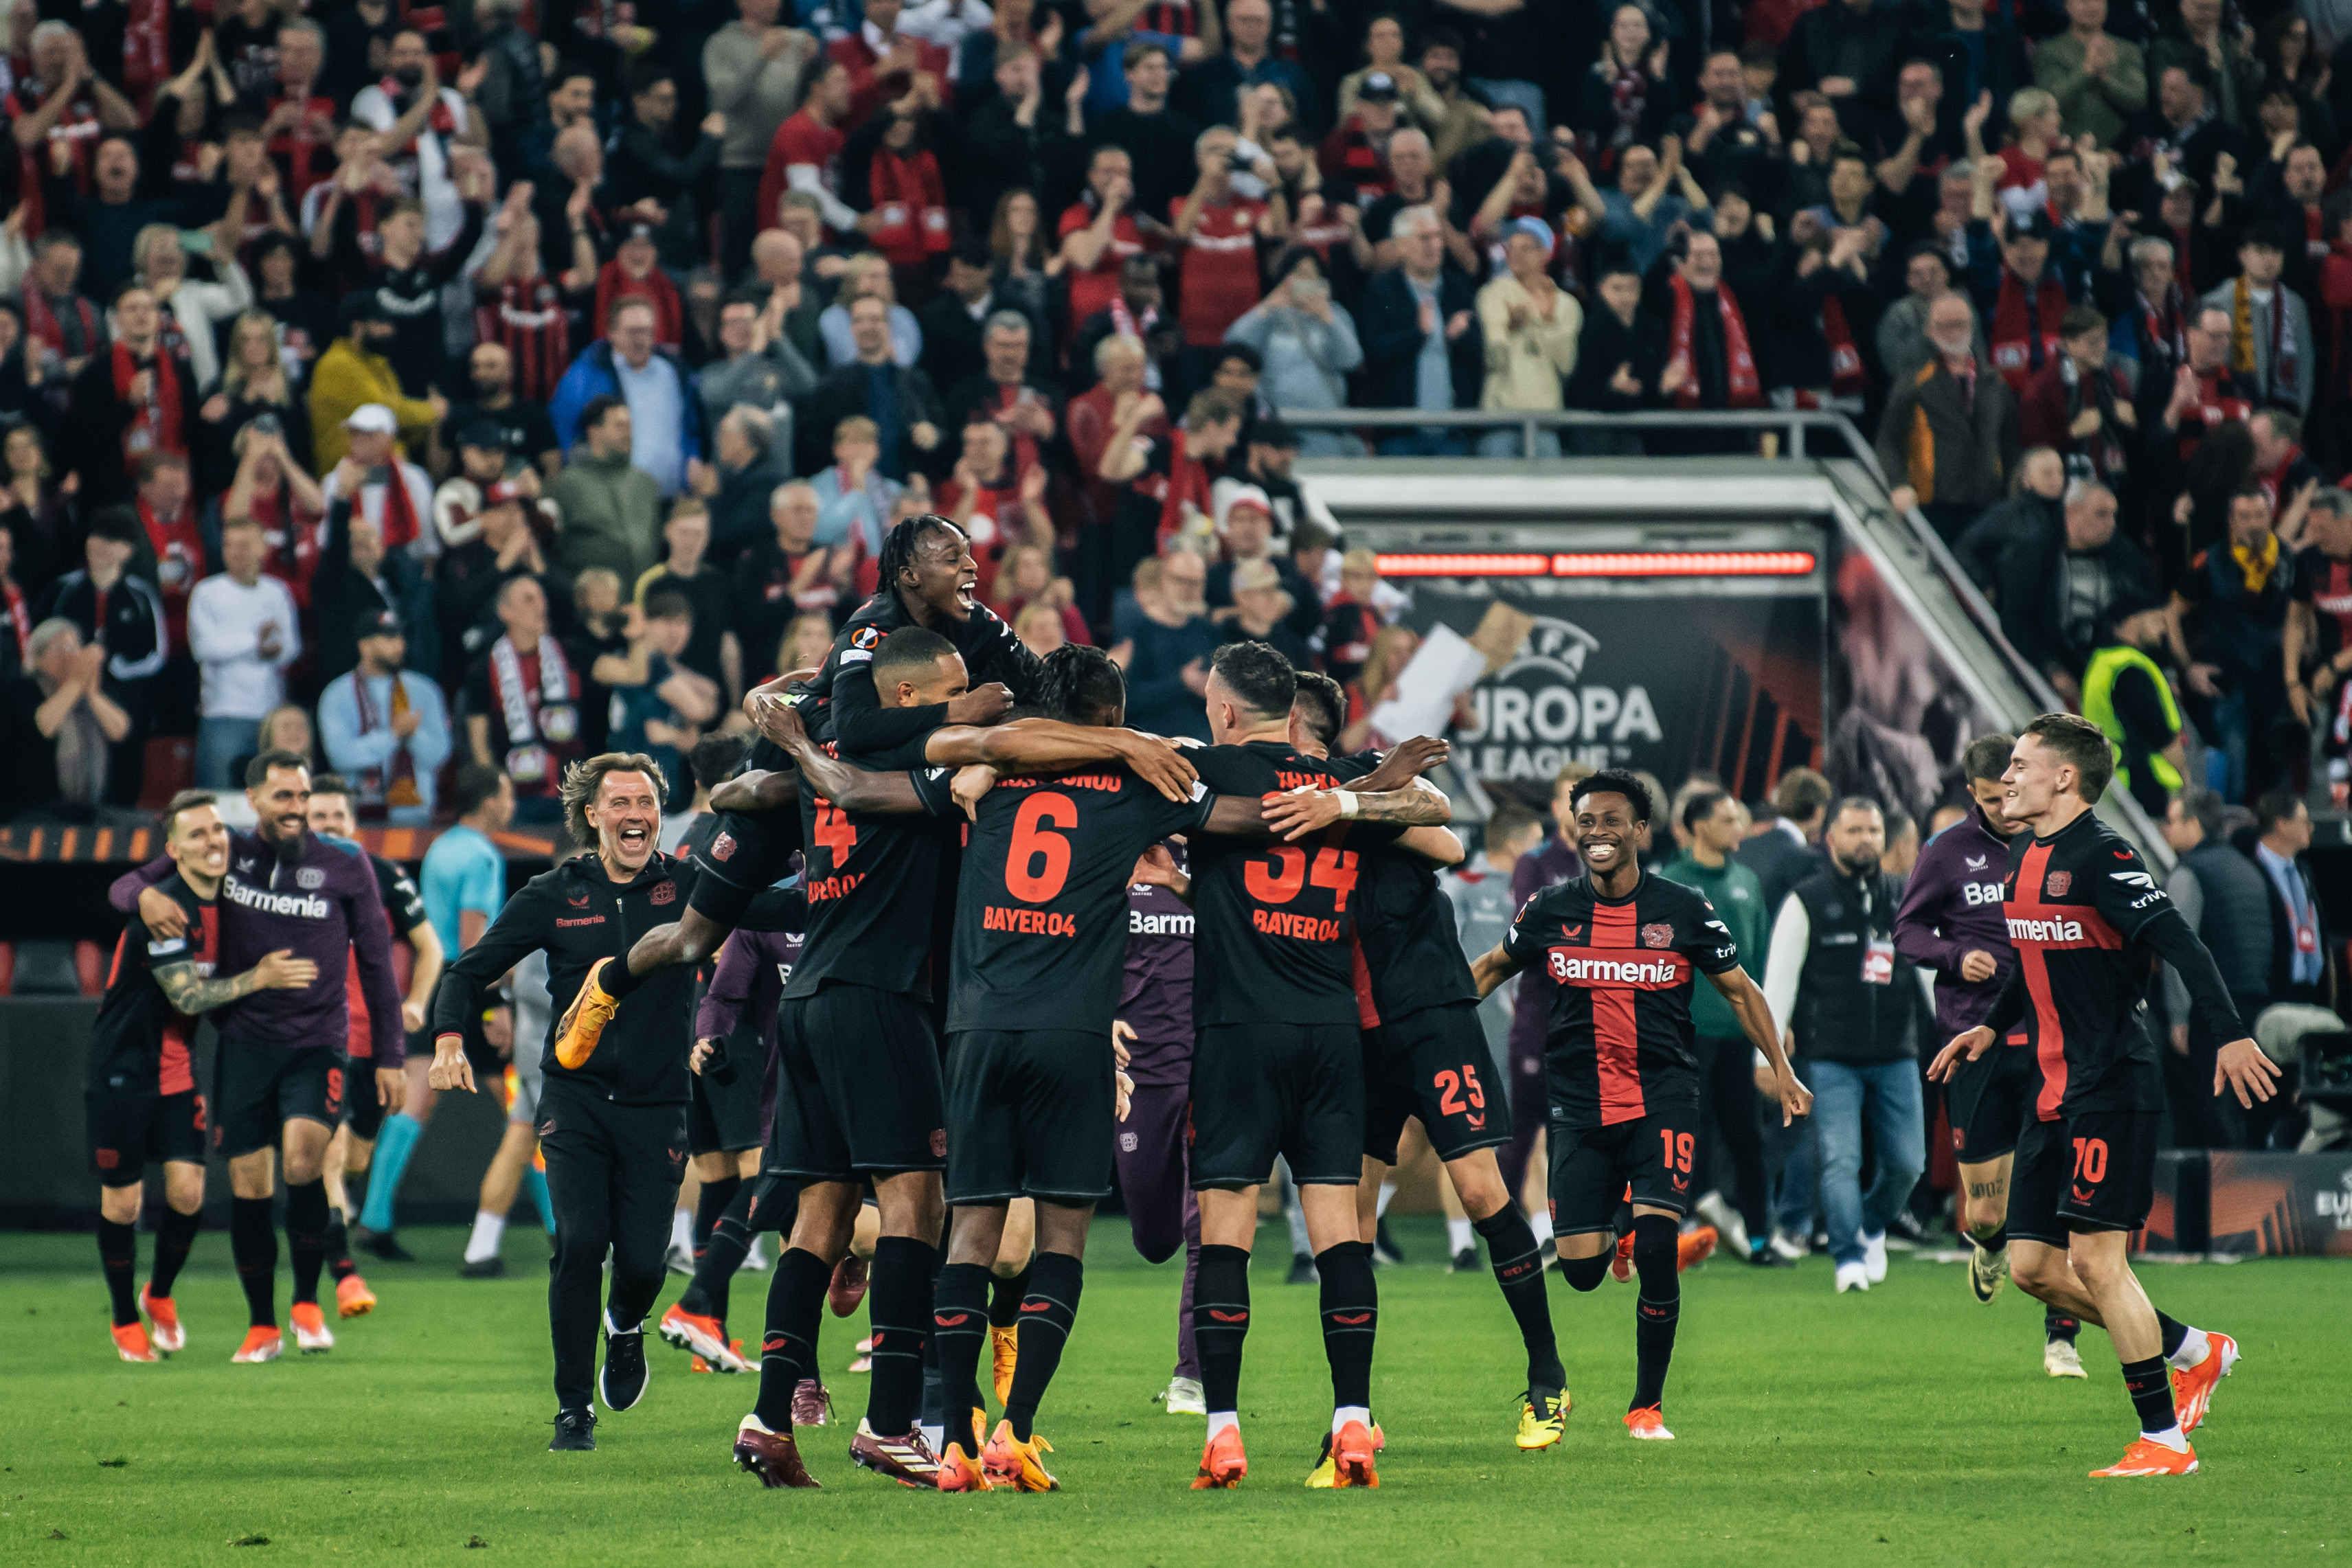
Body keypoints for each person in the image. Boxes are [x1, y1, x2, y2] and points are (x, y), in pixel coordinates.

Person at [723, 630, 1199, 1487]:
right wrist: (1121, 744)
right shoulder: (942, 766)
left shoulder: (838, 743)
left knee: (818, 1223)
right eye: (953, 687)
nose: (974, 697)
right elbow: (993, 744)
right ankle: (893, 1421)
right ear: (909, 698)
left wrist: (791, 721)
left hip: (810, 995)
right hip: (887, 999)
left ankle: (768, 1416)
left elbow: (757, 767)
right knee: (918, 1211)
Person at [1930, 714, 2273, 1477]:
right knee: (2030, 1269)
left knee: (2095, 1260)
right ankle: (2194, 1349)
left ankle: (2164, 1441)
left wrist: (2230, 1032)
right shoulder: (2024, 855)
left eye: (2020, 764)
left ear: (2064, 778)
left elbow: (2182, 943)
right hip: (2051, 1091)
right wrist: (1989, 1028)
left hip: (2112, 1083)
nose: (2005, 778)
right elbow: (2031, 962)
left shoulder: (2105, 855)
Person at [427, 753, 787, 1451]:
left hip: (658, 1103)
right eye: (621, 803)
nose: (636, 816)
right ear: (591, 815)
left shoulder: (689, 884)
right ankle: (572, 1408)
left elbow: (773, 906)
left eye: (646, 803)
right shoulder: (552, 892)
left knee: (647, 1266)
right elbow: (467, 972)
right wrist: (447, 1038)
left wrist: (845, 877)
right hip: (574, 1096)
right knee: (581, 1242)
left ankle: (626, 1326)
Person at [1470, 771, 1809, 1442]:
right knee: (1582, 1271)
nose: (1597, 832)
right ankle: (1618, 1234)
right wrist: (1424, 1029)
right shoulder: (1548, 908)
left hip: (1662, 1098)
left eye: (1611, 820)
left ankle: (1645, 1406)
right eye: (1586, 820)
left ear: (1639, 830)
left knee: (1659, 1245)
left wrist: (1783, 1069)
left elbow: (1740, 992)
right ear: (1573, 829)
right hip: (1580, 1107)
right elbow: (1487, 969)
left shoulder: (1682, 908)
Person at [109, 751, 405, 1362]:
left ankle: (306, 1302)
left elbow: (376, 965)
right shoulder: (231, 852)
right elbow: (125, 885)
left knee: (304, 1157)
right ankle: (263, 1324)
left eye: (302, 797)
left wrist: (391, 1056)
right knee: (249, 1183)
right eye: (284, 798)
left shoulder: (347, 863)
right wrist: (143, 898)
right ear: (255, 800)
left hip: (318, 1041)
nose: (296, 809)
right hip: (244, 1042)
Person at [87, 789, 314, 1361]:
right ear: (175, 850)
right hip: (122, 1070)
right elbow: (187, 997)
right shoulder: (164, 907)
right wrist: (260, 978)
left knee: (188, 1197)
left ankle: (158, 1294)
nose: (213, 841)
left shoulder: (233, 900)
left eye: (217, 830)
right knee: (124, 1205)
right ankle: (122, 1321)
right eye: (197, 834)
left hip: (177, 1071)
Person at [1893, 734, 2088, 1372]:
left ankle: (2061, 1334)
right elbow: (1907, 931)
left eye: (2008, 794)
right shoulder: (1946, 852)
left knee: (2064, 1185)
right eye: (1988, 800)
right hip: (1972, 1039)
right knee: (1984, 1211)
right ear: (1971, 794)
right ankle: (1990, 1245)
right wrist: (1953, 955)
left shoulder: (2061, 842)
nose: (2004, 811)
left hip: (2051, 1039)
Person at [1759, 797, 1923, 1295]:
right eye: (1853, 830)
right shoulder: (1805, 899)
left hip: (1898, 1051)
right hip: (1829, 1055)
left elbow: (1936, 971)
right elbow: (1778, 982)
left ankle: (1871, 1225)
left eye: (1873, 830)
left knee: (1907, 1164)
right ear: (1831, 839)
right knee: (1839, 1159)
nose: (1864, 839)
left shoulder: (1906, 895)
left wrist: (1962, 1032)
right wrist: (1768, 1057)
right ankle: (1848, 1256)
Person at [304, 773, 442, 1295]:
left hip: (372, 1044)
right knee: (331, 1153)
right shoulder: (287, 879)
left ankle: (328, 1221)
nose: (330, 824)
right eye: (320, 816)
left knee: (355, 1157)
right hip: (317, 1038)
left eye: (338, 815)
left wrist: (416, 1003)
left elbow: (430, 947)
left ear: (353, 823)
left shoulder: (383, 875)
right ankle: (341, 1269)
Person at [1657, 788, 1780, 1266]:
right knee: (1686, 1135)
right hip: (1686, 1033)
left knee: (1749, 1137)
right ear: (1700, 826)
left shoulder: (1747, 881)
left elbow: (1762, 960)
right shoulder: (1670, 882)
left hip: (1738, 1033)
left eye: (1739, 817)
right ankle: (1685, 1232)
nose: (1739, 827)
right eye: (1728, 819)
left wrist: (1774, 1024)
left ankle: (1758, 1237)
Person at [1881, 293, 2025, 541]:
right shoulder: (1914, 380)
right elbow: (1888, 439)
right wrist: (1898, 484)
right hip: (1934, 504)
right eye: (1945, 325)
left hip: (1987, 503)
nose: (1954, 331)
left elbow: (2011, 443)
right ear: (1929, 330)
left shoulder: (1994, 381)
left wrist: (2016, 494)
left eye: (1960, 323)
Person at [188, 519, 302, 790]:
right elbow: (204, 648)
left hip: (269, 712)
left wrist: (272, 649)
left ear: (263, 549)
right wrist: (255, 643)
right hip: (223, 713)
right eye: (229, 545)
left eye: (244, 545)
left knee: (269, 795)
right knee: (220, 797)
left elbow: (291, 648)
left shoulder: (277, 592)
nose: (235, 552)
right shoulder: (207, 592)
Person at [550, 299, 705, 499]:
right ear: (612, 333)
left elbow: (691, 427)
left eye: (647, 331)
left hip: (673, 498)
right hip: (615, 500)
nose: (640, 340)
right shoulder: (585, 376)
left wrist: (693, 457)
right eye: (632, 332)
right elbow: (564, 432)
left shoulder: (674, 372)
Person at [466, 576, 584, 825]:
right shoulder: (483, 669)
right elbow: (480, 747)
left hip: (573, 791)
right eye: (529, 599)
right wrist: (499, 797)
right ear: (505, 611)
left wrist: (638, 639)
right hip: (518, 797)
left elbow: (632, 673)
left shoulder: (570, 655)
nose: (540, 605)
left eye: (542, 597)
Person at [317, 610, 451, 826]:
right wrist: (394, 736)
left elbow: (440, 754)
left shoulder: (425, 690)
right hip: (358, 816)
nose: (399, 645)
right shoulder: (337, 694)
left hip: (418, 815)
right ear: (364, 645)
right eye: (389, 638)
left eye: (400, 637)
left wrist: (413, 735)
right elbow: (340, 756)